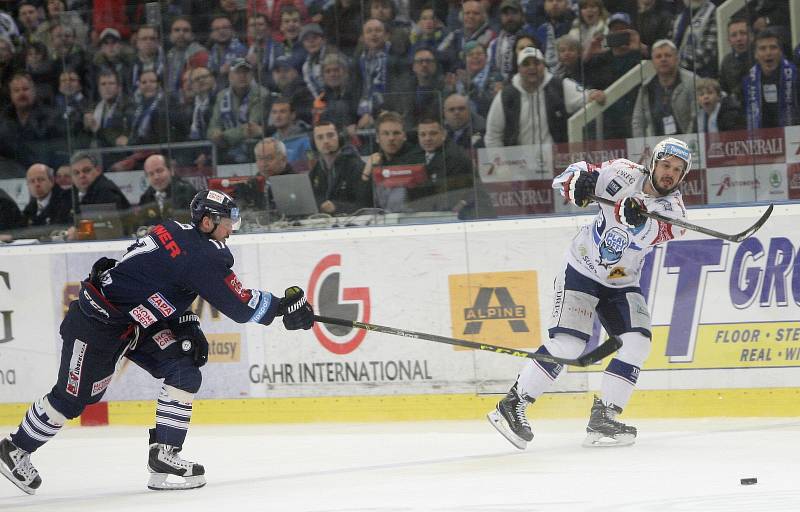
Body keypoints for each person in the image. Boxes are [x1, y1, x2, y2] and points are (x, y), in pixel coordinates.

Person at [0, 189, 314, 494]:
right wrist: (284, 306)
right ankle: (15, 449)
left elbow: (157, 281)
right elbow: (241, 307)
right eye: (227, 221)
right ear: (207, 222)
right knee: (72, 399)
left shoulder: (174, 229)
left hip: (138, 322)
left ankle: (165, 455)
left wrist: (184, 320)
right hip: (96, 325)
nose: (231, 228)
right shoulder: (203, 256)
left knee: (184, 368)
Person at [488, 137, 693, 450]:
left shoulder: (674, 212)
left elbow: (648, 234)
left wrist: (635, 217)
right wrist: (577, 183)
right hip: (581, 269)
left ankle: (604, 416)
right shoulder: (622, 173)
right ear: (654, 162)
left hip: (621, 281)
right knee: (568, 345)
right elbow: (569, 176)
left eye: (677, 170)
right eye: (666, 165)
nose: (670, 173)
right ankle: (512, 405)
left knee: (638, 342)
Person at [485, 47, 595, 147]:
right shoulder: (505, 96)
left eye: (536, 63)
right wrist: (502, 167)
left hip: (558, 162)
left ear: (544, 65)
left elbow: (588, 98)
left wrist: (594, 95)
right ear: (519, 69)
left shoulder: (560, 86)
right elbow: (492, 136)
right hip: (518, 165)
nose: (532, 67)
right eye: (526, 64)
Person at [631, 39, 697, 137]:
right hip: (658, 146)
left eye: (668, 55)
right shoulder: (646, 87)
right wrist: (641, 147)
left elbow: (696, 118)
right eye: (658, 56)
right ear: (653, 61)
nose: (663, 59)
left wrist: (688, 142)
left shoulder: (693, 82)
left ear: (677, 58)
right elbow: (638, 121)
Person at [308, 119, 369, 215]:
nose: (326, 141)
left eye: (330, 135)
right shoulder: (316, 170)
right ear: (313, 143)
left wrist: (337, 207)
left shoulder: (355, 166)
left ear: (339, 138)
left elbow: (365, 205)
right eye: (320, 137)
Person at [742, 28, 799, 130]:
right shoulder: (747, 82)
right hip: (762, 140)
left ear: (781, 52)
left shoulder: (796, 77)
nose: (768, 53)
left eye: (773, 47)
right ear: (755, 54)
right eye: (762, 48)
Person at [137, 154, 198, 226]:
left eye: (159, 171)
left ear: (171, 170)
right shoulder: (145, 198)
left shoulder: (186, 191)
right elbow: (140, 227)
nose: (156, 177)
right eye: (151, 174)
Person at [21, 163, 73, 232]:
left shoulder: (66, 202)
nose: (36, 184)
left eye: (40, 180)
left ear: (52, 181)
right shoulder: (29, 209)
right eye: (32, 181)